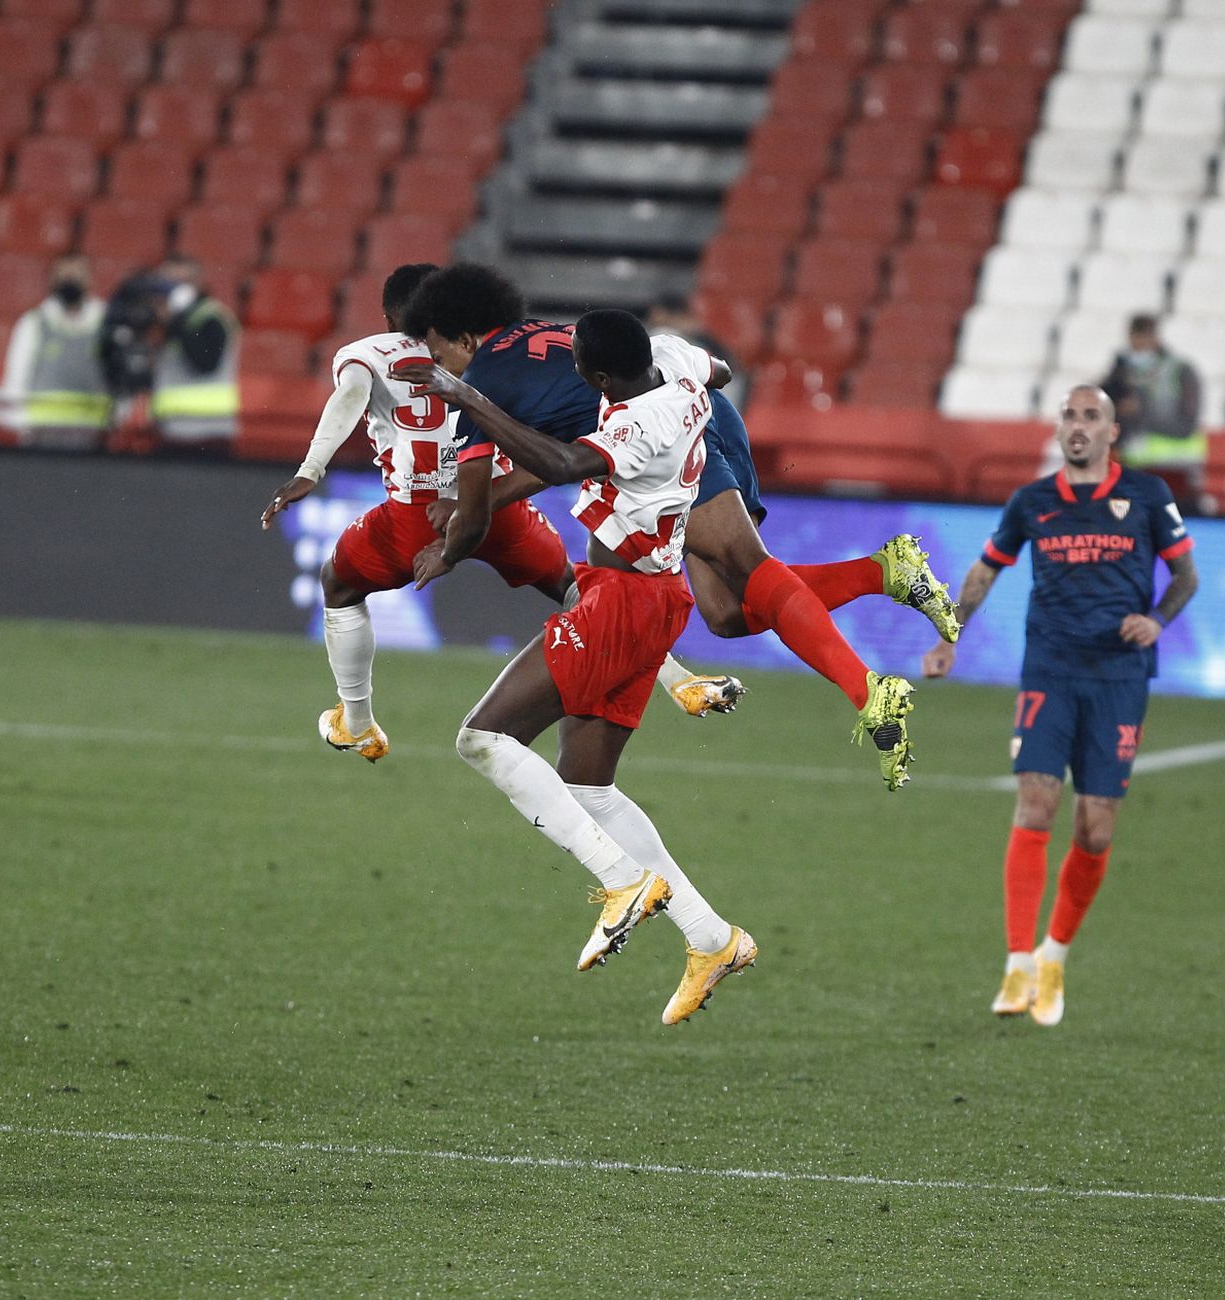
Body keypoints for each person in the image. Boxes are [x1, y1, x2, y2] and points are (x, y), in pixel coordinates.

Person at [400, 263, 961, 792]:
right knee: (727, 613)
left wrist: (451, 543)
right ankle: (883, 571)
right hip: (693, 416)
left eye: (435, 347)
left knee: (750, 572)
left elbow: (555, 466)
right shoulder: (546, 341)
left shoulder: (484, 381)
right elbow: (587, 440)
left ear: (465, 337)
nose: (434, 360)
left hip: (670, 438)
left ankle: (870, 693)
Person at [403, 308, 755, 1024]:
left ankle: (623, 882)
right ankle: (712, 939)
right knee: (588, 789)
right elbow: (720, 372)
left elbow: (564, 463)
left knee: (483, 737)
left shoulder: (632, 424)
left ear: (596, 376)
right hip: (648, 596)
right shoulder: (682, 367)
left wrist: (464, 394)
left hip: (621, 601)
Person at [259, 265, 725, 763]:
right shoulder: (523, 343)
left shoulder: (372, 354)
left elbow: (348, 397)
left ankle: (358, 724)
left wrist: (311, 469)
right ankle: (680, 680)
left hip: (420, 514)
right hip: (506, 508)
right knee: (581, 588)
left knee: (339, 584)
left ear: (394, 316)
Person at [921, 385, 1199, 1027]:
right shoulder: (1032, 502)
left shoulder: (1150, 497)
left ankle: (1054, 955)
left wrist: (1156, 621)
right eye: (1069, 416)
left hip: (1120, 677)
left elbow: (1187, 576)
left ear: (1111, 433)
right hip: (1049, 669)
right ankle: (1018, 963)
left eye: (1091, 417)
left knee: (1095, 828)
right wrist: (947, 638)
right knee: (1037, 805)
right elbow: (985, 571)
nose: (1077, 427)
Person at [0, 253, 112, 451]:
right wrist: (18, 425)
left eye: (77, 274)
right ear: (51, 280)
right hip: (41, 432)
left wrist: (113, 423)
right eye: (63, 275)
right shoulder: (33, 322)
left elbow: (116, 377)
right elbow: (17, 376)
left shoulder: (106, 324)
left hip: (93, 432)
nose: (70, 280)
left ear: (90, 278)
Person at [1101, 314, 1206, 510]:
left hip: (1175, 472)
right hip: (1133, 469)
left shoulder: (1180, 371)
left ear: (1154, 338)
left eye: (1143, 339)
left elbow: (1187, 424)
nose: (1138, 346)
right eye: (1135, 339)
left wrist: (1140, 412)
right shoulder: (1121, 371)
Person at [148, 254, 240, 456]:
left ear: (197, 284)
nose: (173, 290)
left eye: (182, 283)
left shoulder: (212, 317)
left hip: (209, 431)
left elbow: (206, 362)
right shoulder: (164, 321)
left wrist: (176, 322)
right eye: (168, 283)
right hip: (169, 430)